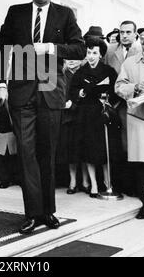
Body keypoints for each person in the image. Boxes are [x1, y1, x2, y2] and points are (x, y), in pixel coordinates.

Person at [0, 0, 86, 234]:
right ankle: (32, 214)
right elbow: (1, 47)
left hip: (50, 90)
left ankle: (48, 211)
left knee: (47, 153)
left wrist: (51, 48)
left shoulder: (65, 14)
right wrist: (0, 82)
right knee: (26, 154)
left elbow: (80, 49)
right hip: (21, 92)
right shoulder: (16, 13)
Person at [69, 37, 122, 198]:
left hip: (103, 114)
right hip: (85, 115)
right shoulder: (80, 72)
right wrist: (80, 92)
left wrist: (107, 99)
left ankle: (108, 183)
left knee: (106, 150)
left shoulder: (108, 71)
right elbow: (73, 91)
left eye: (94, 53)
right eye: (89, 52)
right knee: (89, 150)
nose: (91, 56)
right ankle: (93, 185)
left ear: (100, 55)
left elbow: (116, 91)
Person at [115, 24, 144, 219]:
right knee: (143, 165)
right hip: (138, 119)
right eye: (143, 36)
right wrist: (135, 87)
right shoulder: (129, 63)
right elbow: (119, 87)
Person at [105, 21, 141, 195]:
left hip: (137, 105)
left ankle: (136, 186)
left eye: (128, 32)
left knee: (134, 144)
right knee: (117, 144)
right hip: (115, 104)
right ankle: (121, 185)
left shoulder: (141, 50)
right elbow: (106, 73)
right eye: (122, 32)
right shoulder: (111, 50)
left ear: (135, 34)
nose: (124, 35)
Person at [56, 60, 90, 195]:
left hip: (84, 116)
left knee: (85, 150)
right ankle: (73, 181)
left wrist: (75, 104)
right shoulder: (62, 74)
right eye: (68, 58)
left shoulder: (85, 73)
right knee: (71, 151)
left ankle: (86, 181)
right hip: (67, 118)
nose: (71, 61)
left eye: (74, 58)